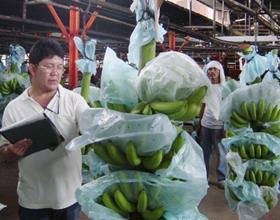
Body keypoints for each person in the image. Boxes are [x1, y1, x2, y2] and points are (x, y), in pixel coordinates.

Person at [0, 38, 89, 220]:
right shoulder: (14, 108)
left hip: (70, 198)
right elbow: (3, 151)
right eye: (49, 66)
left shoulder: (74, 101)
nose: (55, 73)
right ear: (32, 69)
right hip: (33, 200)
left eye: (59, 67)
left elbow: (91, 125)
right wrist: (11, 151)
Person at [199, 60, 226, 189]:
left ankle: (222, 178)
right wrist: (200, 121)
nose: (212, 72)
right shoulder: (205, 88)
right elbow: (203, 106)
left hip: (219, 125)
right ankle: (205, 177)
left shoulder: (224, 88)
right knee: (205, 151)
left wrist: (225, 126)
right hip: (206, 124)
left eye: (215, 69)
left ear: (220, 72)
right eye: (210, 69)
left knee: (221, 152)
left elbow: (228, 108)